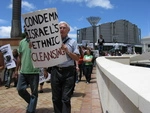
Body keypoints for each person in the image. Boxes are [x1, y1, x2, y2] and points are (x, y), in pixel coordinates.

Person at [48, 21, 79, 113]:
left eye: (64, 28)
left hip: (68, 72)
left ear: (68, 30)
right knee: (55, 98)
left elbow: (77, 57)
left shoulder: (73, 42)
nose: (61, 29)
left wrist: (67, 51)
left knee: (65, 98)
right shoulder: (52, 42)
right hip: (55, 71)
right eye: (60, 28)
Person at [15, 30, 40, 113]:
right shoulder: (22, 42)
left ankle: (31, 110)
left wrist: (34, 47)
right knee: (20, 89)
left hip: (34, 71)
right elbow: (19, 57)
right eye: (26, 29)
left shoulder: (38, 42)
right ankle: (31, 103)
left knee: (34, 93)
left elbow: (43, 55)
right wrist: (16, 70)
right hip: (23, 71)